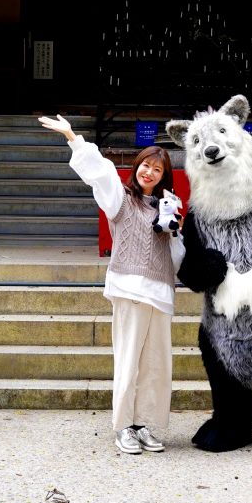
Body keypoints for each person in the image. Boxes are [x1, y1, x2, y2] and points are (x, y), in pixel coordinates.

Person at [39, 114, 184, 455]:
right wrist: (73, 137)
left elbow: (178, 255)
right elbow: (101, 172)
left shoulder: (167, 206)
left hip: (161, 294)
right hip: (130, 291)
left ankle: (145, 424)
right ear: (136, 167)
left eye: (157, 170)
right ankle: (123, 426)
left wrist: (174, 226)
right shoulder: (121, 200)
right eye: (145, 166)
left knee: (156, 365)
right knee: (129, 360)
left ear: (164, 177)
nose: (149, 172)